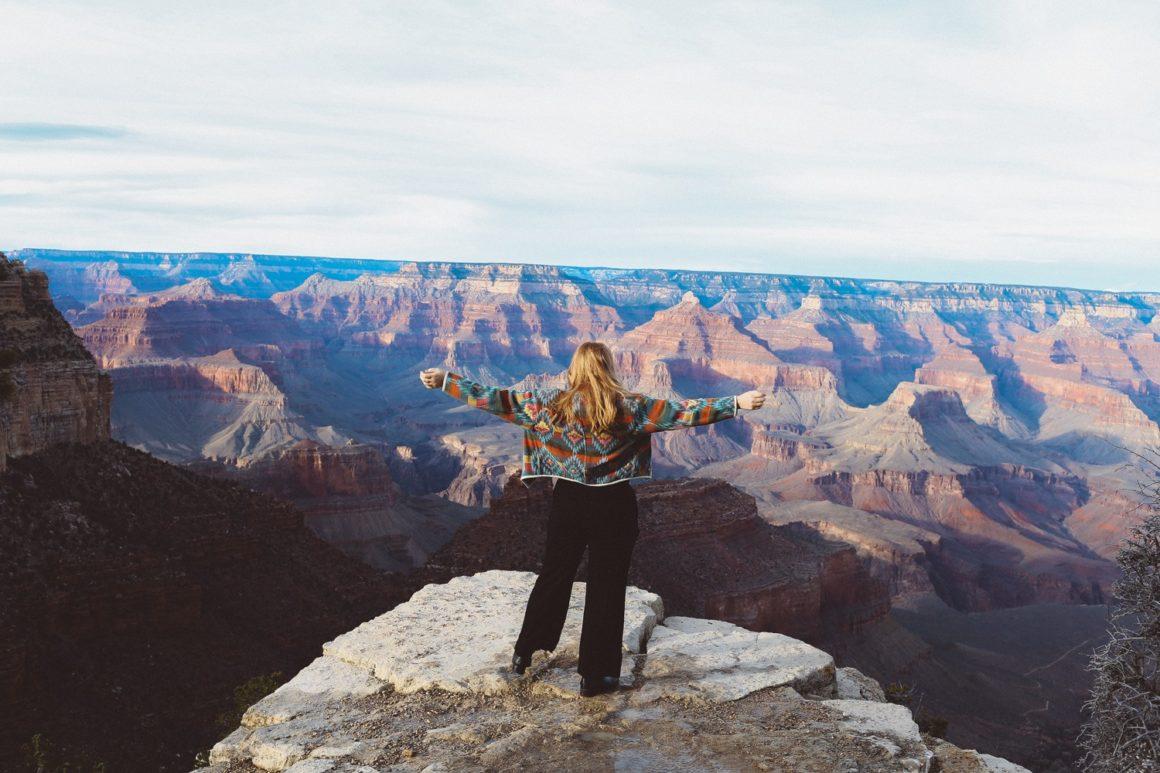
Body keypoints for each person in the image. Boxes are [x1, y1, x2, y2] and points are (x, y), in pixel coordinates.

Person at [419, 341, 766, 697]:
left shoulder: (550, 406)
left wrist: (447, 381)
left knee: (555, 573)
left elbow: (497, 399)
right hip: (614, 503)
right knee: (607, 585)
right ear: (608, 368)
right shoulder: (630, 408)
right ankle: (596, 675)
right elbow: (682, 412)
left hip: (568, 499)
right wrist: (736, 404)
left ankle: (525, 652)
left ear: (576, 369)